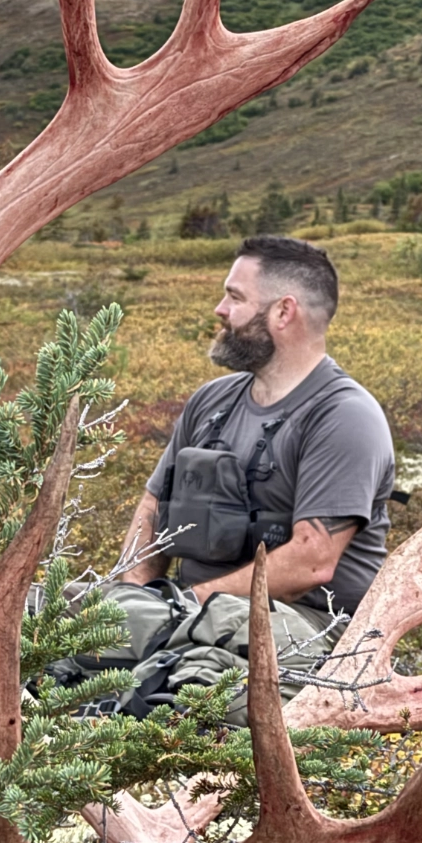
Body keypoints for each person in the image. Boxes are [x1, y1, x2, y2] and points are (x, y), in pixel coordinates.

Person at [118, 234, 395, 626]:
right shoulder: (211, 401)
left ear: (283, 312)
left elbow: (310, 564)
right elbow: (154, 507)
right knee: (41, 614)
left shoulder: (344, 416)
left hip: (305, 622)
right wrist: (134, 596)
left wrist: (180, 606)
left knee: (198, 671)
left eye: (235, 297)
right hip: (188, 609)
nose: (220, 309)